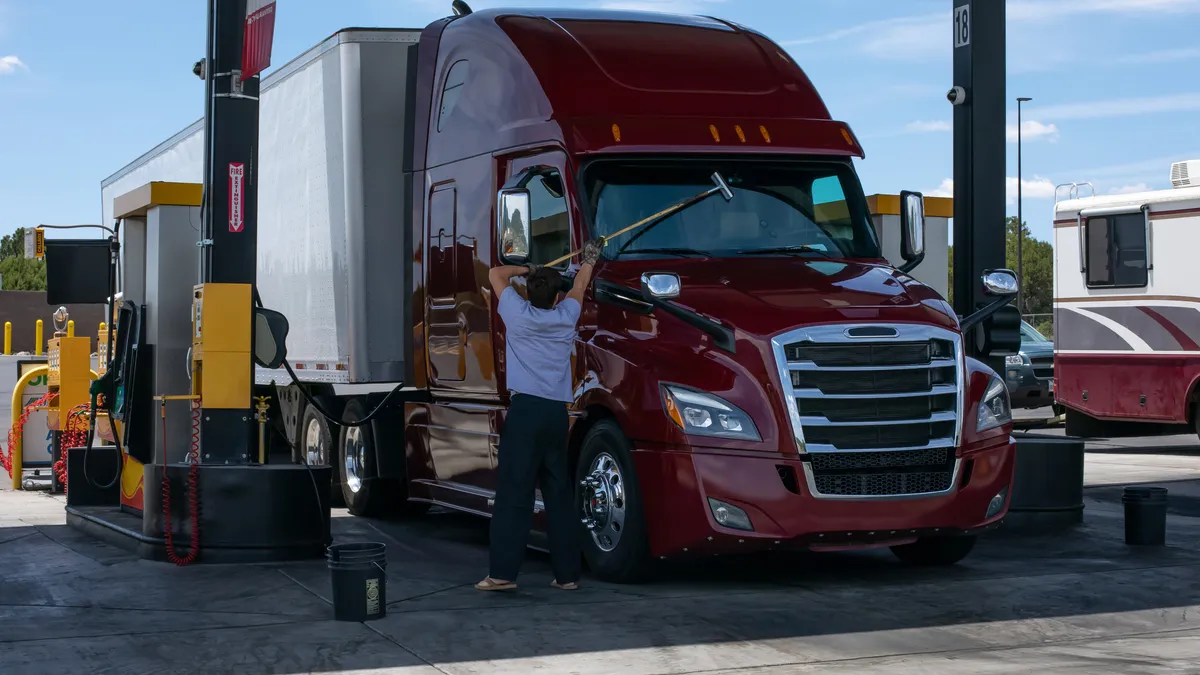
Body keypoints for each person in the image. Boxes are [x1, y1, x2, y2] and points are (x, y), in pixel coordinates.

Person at [475, 238, 604, 592]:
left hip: (526, 411)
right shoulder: (566, 316)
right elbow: (579, 283)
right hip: (556, 414)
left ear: (529, 294)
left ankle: (501, 574)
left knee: (514, 492)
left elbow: (495, 273)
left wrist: (528, 268)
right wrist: (590, 258)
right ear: (557, 298)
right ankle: (567, 576)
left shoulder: (516, 313)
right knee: (558, 493)